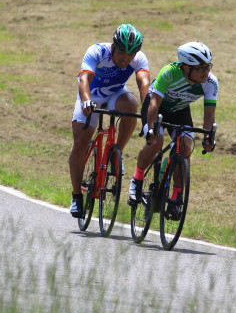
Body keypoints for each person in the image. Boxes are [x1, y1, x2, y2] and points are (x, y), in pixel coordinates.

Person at [69, 24, 150, 218]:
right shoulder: (97, 51)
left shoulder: (139, 59)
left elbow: (144, 84)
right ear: (113, 47)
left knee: (132, 105)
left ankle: (116, 153)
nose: (125, 58)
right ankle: (77, 196)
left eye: (131, 55)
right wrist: (87, 101)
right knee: (81, 142)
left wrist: (149, 113)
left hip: (116, 93)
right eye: (122, 52)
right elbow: (84, 80)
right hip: (92, 95)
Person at [128, 41, 218, 208]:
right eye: (200, 68)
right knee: (156, 142)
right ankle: (137, 179)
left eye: (208, 67)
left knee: (184, 148)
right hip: (156, 107)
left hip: (179, 111)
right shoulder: (169, 73)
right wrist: (152, 129)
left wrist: (207, 137)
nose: (205, 72)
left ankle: (176, 197)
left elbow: (209, 114)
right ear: (186, 67)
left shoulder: (210, 82)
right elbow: (154, 103)